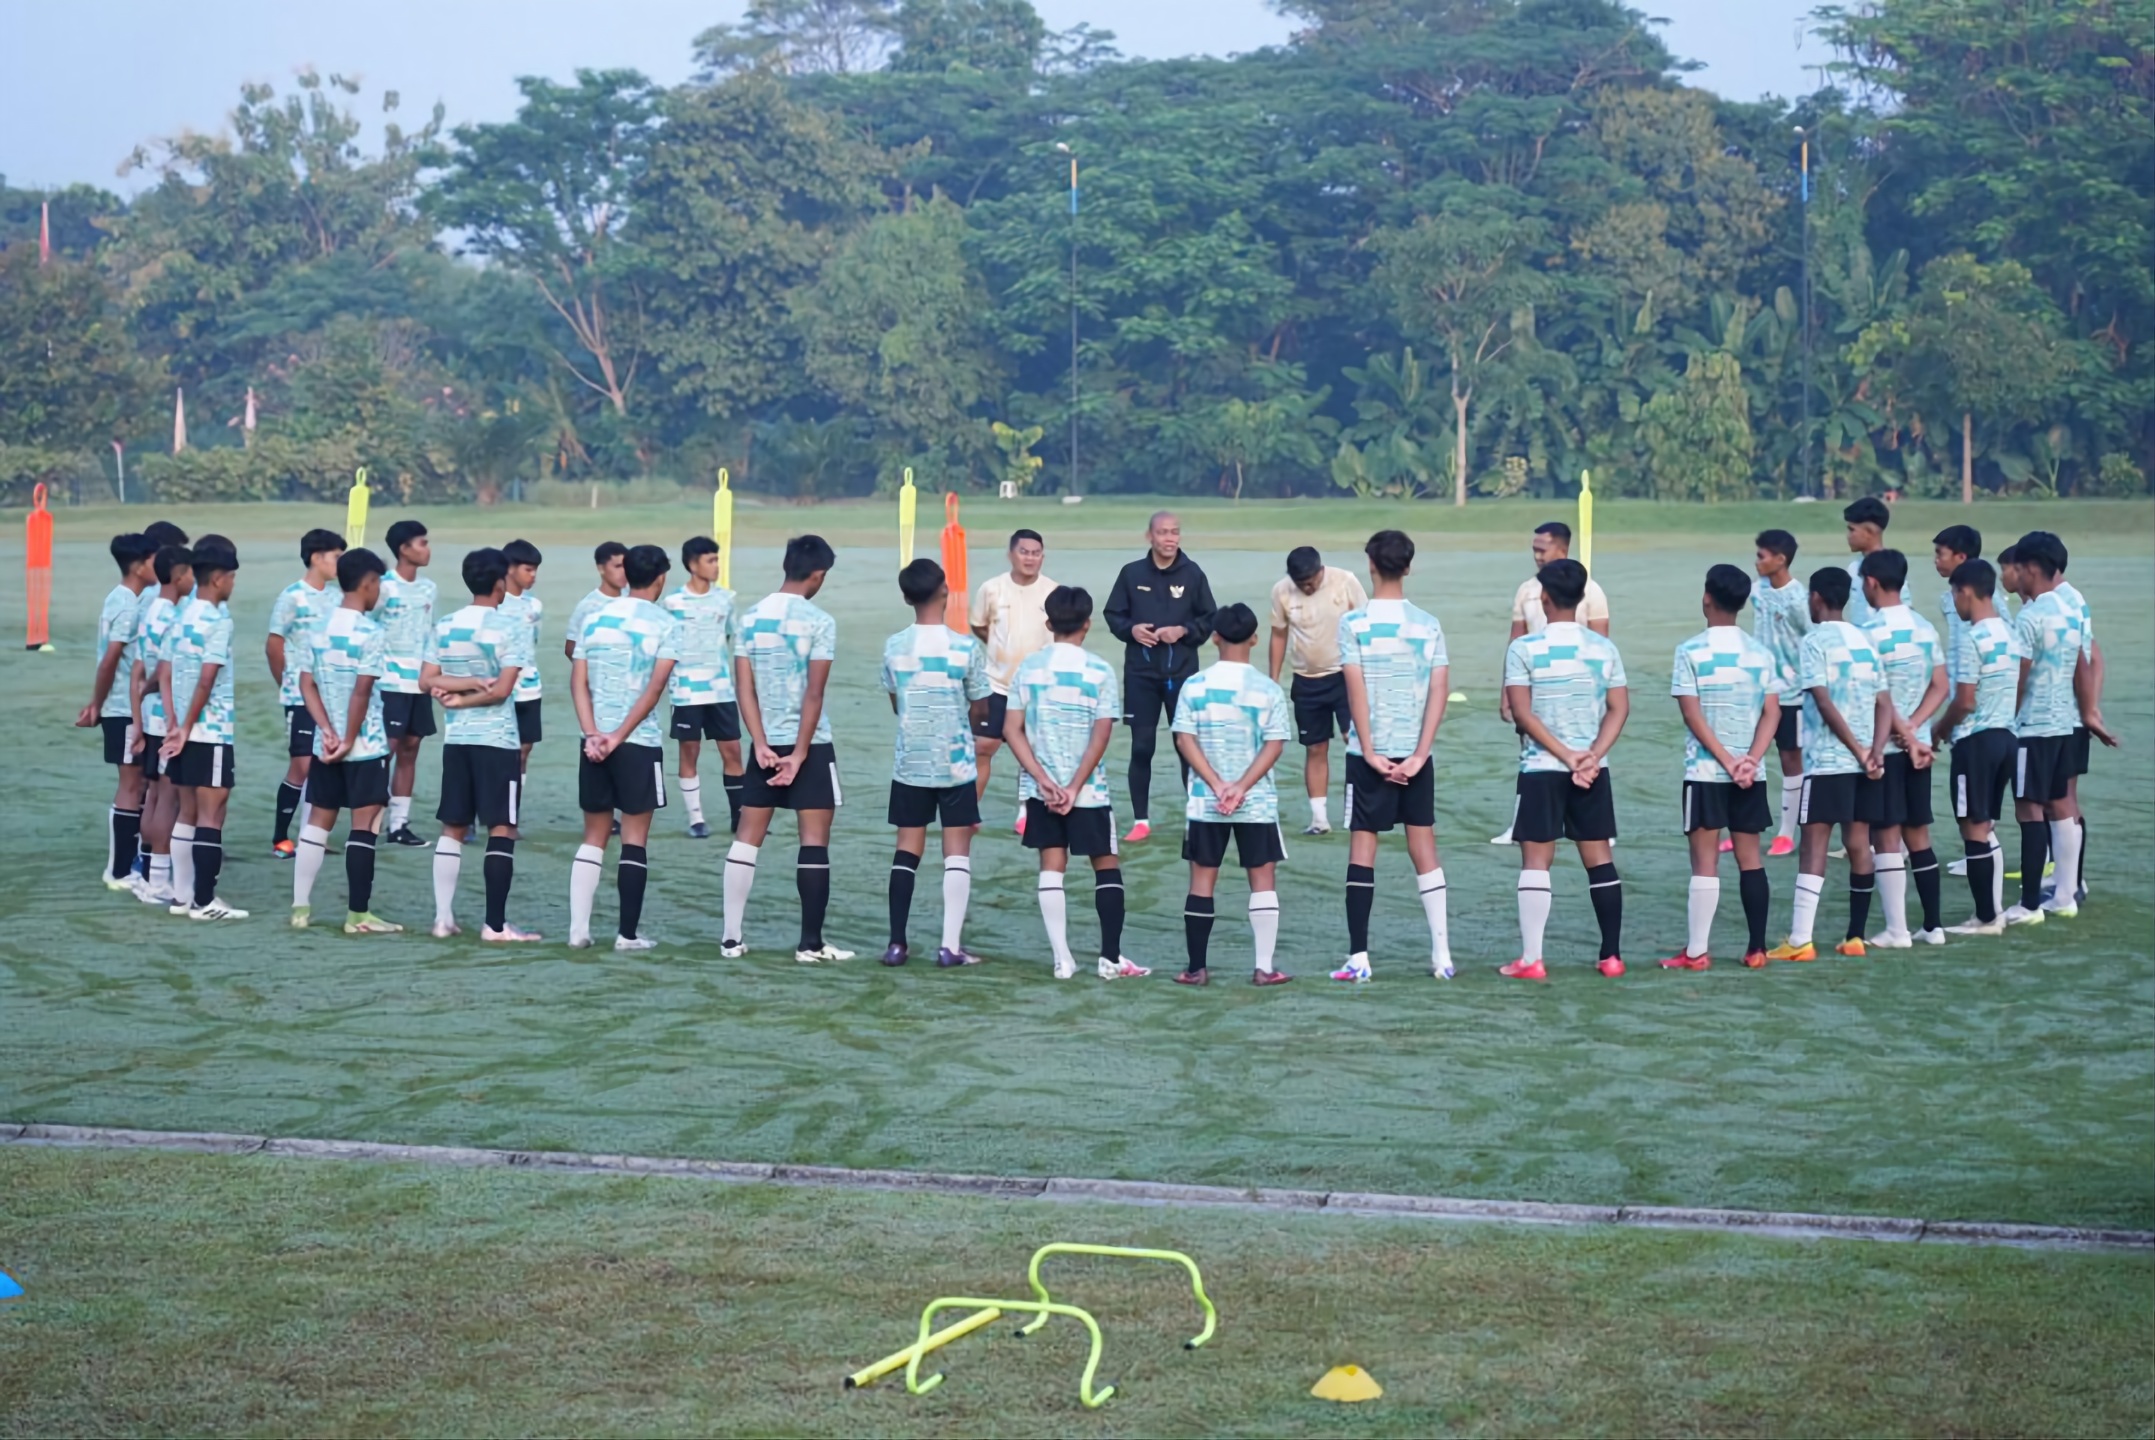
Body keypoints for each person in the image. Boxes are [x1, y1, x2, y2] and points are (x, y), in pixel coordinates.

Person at [1004, 585, 1148, 980]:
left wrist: (1043, 780)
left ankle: (1062, 958)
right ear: (1087, 623)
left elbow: (1011, 730)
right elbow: (1101, 734)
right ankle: (1110, 958)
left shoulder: (1029, 668)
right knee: (1106, 865)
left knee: (1052, 866)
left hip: (1041, 791)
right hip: (1088, 791)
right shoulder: (1099, 670)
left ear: (1049, 623)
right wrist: (1073, 787)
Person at [1329, 529, 1452, 984]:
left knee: (1363, 848)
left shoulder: (1354, 623)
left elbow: (1355, 689)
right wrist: (1420, 754)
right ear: (1409, 567)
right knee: (1425, 849)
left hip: (1369, 756)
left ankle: (1359, 957)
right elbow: (1439, 689)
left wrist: (1369, 751)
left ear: (1371, 565)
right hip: (1415, 755)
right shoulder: (1428, 624)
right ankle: (1442, 955)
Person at [725, 535, 853, 964]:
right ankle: (810, 944)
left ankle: (731, 939)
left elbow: (744, 688)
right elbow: (814, 694)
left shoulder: (750, 617)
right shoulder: (820, 621)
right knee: (813, 841)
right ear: (818, 575)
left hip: (764, 744)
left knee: (747, 838)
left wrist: (760, 743)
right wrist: (799, 754)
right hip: (809, 745)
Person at [1500, 559, 1629, 980]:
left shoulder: (1524, 648)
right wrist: (1591, 755)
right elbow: (1619, 708)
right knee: (1599, 858)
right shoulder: (1604, 648)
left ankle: (1532, 959)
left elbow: (1522, 713)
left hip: (1541, 767)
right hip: (1592, 770)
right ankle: (1611, 956)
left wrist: (1566, 755)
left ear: (1544, 598)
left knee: (1536, 860)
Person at [1766, 568, 1891, 961]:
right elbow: (1884, 703)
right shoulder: (1865, 640)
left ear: (1816, 598)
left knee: (1814, 845)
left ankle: (1800, 940)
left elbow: (1822, 701)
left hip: (1827, 763)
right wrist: (1875, 751)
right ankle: (1854, 936)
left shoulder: (1814, 641)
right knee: (1859, 843)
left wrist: (1856, 750)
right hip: (1866, 765)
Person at [1666, 564, 1781, 971]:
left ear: (1706, 598)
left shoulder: (1690, 651)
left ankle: (1696, 952)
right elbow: (1772, 712)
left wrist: (1727, 761)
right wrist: (1750, 759)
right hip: (1750, 775)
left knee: (1705, 863)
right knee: (1751, 860)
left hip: (1706, 774)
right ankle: (1757, 948)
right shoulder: (1760, 653)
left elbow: (1692, 715)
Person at [879, 558, 993, 968]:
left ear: (906, 597)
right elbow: (980, 706)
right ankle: (950, 946)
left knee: (906, 850)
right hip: (956, 763)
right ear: (945, 590)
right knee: (956, 853)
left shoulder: (895, 646)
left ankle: (897, 943)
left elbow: (897, 701)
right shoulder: (965, 647)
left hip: (911, 761)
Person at [1172, 603, 1292, 986]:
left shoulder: (1195, 685)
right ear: (1254, 639)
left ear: (1214, 638)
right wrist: (1241, 787)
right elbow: (1275, 744)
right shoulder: (1268, 689)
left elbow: (1184, 739)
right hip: (1255, 802)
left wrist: (1216, 784)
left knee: (1202, 880)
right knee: (1263, 879)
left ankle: (1196, 968)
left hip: (1206, 802)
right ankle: (1264, 967)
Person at [423, 547, 539, 943]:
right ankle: (495, 925)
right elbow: (502, 691)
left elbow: (427, 680)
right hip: (497, 741)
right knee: (502, 828)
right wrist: (472, 691)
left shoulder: (446, 624)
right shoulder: (511, 627)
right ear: (500, 582)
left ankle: (442, 919)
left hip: (457, 741)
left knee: (452, 827)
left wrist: (458, 692)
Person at [568, 543, 679, 951]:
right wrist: (617, 736)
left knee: (593, 836)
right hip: (637, 743)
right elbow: (654, 689)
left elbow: (578, 682)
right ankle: (626, 935)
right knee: (634, 838)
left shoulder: (594, 619)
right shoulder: (666, 624)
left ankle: (578, 930)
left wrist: (593, 733)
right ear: (661, 577)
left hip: (593, 744)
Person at [290, 547, 400, 934]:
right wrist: (350, 739)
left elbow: (307, 685)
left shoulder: (317, 627)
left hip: (325, 745)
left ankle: (300, 908)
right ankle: (358, 916)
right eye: (379, 584)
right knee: (364, 826)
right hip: (364, 746)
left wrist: (327, 730)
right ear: (368, 583)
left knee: (317, 824)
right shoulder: (371, 633)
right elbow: (361, 692)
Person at [1492, 520, 1610, 844]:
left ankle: (1593, 826)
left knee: (1586, 749)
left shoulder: (1591, 591)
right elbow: (1516, 639)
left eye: (1542, 550)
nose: (1537, 556)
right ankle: (1522, 823)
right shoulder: (1526, 590)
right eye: (1534, 550)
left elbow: (1601, 643)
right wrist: (1506, 692)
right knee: (1531, 755)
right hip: (1533, 688)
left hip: (1578, 690)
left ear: (1562, 548)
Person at [1103, 511, 1216, 843]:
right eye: (1163, 532)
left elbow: (1210, 618)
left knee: (1186, 747)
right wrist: (1132, 630)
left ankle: (1196, 817)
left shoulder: (1193, 574)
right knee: (1142, 747)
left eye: (1175, 532)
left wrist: (1183, 631)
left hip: (1182, 675)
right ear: (1149, 536)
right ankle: (1141, 821)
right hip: (1141, 675)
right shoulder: (1131, 573)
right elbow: (1113, 614)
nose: (1170, 539)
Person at [2003, 532, 2097, 924]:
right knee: (2060, 805)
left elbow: (2020, 675)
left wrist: (2005, 715)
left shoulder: (2031, 615)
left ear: (2031, 568)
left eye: (2017, 567)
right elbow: (2084, 662)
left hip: (2032, 726)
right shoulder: (2070, 609)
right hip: (2063, 723)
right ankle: (2065, 894)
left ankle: (2028, 905)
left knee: (2029, 809)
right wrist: (2088, 712)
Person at [1859, 549, 1949, 947]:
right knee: (1919, 835)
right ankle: (1933, 926)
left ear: (1871, 582)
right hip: (1920, 747)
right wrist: (1915, 727)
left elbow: (1877, 697)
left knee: (1886, 836)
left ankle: (1897, 929)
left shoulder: (1868, 633)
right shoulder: (1924, 627)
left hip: (1888, 749)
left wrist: (1902, 733)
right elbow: (1941, 686)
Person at [156, 536, 245, 920]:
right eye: (232, 578)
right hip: (210, 732)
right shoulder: (218, 621)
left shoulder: (180, 615)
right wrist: (188, 725)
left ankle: (182, 898)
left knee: (187, 813)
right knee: (211, 813)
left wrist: (174, 723)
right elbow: (207, 680)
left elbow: (164, 673)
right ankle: (205, 902)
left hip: (181, 729)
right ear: (220, 578)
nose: (233, 584)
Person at [1935, 560, 2023, 935]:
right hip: (2005, 737)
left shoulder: (1973, 639)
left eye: (1955, 594)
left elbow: (1965, 701)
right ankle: (1992, 911)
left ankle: (1987, 918)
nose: (1954, 602)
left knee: (1972, 827)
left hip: (1975, 742)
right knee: (1984, 824)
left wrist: (1939, 729)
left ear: (1965, 591)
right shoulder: (2010, 633)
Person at [1266, 544, 1368, 836]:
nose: (1307, 588)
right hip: (1306, 680)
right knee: (1315, 747)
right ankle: (1319, 819)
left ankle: (1362, 810)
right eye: (1301, 584)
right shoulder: (1282, 591)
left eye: (1311, 582)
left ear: (1320, 570)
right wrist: (1273, 680)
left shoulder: (1344, 581)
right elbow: (1279, 634)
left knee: (1355, 741)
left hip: (1345, 675)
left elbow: (1365, 626)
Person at [77, 532, 157, 892]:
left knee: (138, 783)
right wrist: (97, 703)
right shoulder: (126, 605)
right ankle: (119, 870)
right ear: (139, 566)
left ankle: (131, 863)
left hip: (129, 707)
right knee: (130, 785)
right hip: (123, 709)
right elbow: (109, 661)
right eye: (153, 560)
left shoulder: (124, 598)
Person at [969, 529, 1056, 831]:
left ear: (1042, 556)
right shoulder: (991, 589)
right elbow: (979, 625)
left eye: (1036, 553)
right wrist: (1000, 648)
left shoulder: (1053, 592)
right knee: (984, 746)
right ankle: (969, 811)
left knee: (1031, 751)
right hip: (996, 683)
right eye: (1024, 552)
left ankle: (1025, 811)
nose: (1030, 558)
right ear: (1010, 554)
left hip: (1037, 688)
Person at [266, 528, 345, 858]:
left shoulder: (337, 597)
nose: (340, 563)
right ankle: (280, 839)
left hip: (331, 697)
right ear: (316, 557)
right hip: (300, 697)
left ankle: (313, 838)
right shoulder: (292, 597)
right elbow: (274, 645)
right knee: (301, 765)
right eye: (336, 557)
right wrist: (286, 683)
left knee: (324, 765)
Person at [2045, 539, 2111, 907]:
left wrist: (2088, 710)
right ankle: (2067, 880)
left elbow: (2088, 658)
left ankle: (2070, 885)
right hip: (2065, 714)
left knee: (2062, 800)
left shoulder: (2064, 602)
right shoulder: (2067, 599)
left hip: (2062, 716)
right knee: (2058, 800)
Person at [664, 536, 744, 839]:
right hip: (686, 692)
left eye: (717, 559)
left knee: (733, 751)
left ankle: (739, 817)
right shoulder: (672, 603)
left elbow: (728, 636)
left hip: (720, 690)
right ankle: (696, 819)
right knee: (690, 752)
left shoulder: (726, 599)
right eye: (710, 560)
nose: (716, 566)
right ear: (692, 564)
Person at [130, 542, 195, 906]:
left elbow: (143, 667)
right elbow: (162, 671)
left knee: (154, 796)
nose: (193, 580)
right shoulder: (172, 615)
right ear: (178, 575)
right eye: (190, 573)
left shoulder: (152, 609)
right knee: (168, 799)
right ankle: (157, 881)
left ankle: (147, 875)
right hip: (167, 716)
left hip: (152, 716)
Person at [378, 519, 438, 848]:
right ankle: (368, 821)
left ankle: (398, 825)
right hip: (389, 683)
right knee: (382, 752)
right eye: (422, 543)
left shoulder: (429, 588)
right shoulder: (383, 587)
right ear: (403, 549)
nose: (427, 549)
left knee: (410, 749)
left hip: (419, 684)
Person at [1749, 529, 1807, 859]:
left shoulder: (1799, 599)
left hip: (1791, 695)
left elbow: (1811, 639)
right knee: (1749, 757)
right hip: (1758, 691)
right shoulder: (1757, 590)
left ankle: (1786, 833)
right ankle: (1746, 830)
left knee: (1790, 759)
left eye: (1761, 556)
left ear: (1781, 560)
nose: (1756, 561)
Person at [1931, 524, 1983, 881]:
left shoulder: (1981, 606)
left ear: (1961, 557)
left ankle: (1980, 853)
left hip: (1976, 711)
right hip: (1961, 695)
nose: (1935, 560)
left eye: (1941, 554)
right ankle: (1974, 852)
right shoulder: (1947, 598)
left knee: (1975, 794)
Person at [500, 539, 546, 778]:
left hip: (529, 688)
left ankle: (514, 798)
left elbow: (532, 641)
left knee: (524, 748)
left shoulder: (534, 606)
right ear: (510, 568)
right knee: (501, 750)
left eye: (535, 569)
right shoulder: (494, 603)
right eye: (528, 569)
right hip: (501, 687)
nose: (533, 575)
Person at [564, 541, 627, 659]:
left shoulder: (633, 599)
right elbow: (570, 647)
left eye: (626, 566)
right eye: (618, 566)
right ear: (601, 568)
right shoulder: (588, 606)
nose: (624, 572)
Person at [1841, 496, 1890, 628]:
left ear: (1869, 532)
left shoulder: (1891, 567)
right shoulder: (1854, 568)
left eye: (1852, 530)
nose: (1848, 536)